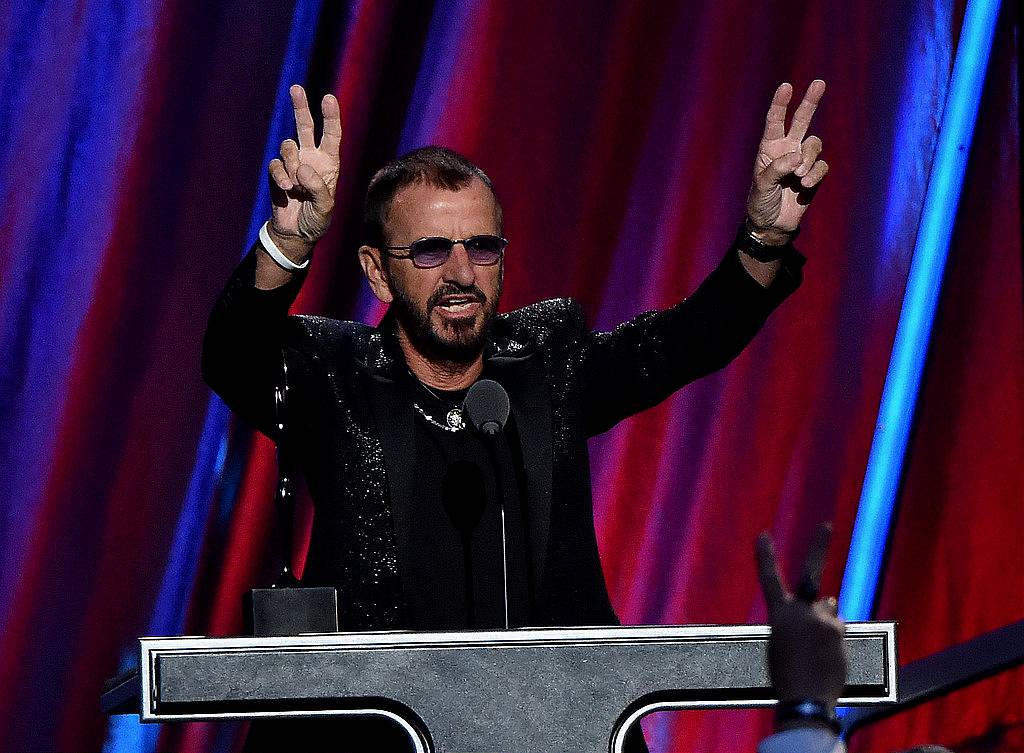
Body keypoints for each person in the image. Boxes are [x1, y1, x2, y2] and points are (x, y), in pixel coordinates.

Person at [203, 81, 828, 751]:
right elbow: (233, 357)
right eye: (430, 250)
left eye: (481, 248)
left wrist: (762, 238)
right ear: (377, 274)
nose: (462, 272)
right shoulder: (334, 371)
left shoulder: (545, 360)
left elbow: (682, 341)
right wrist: (286, 244)